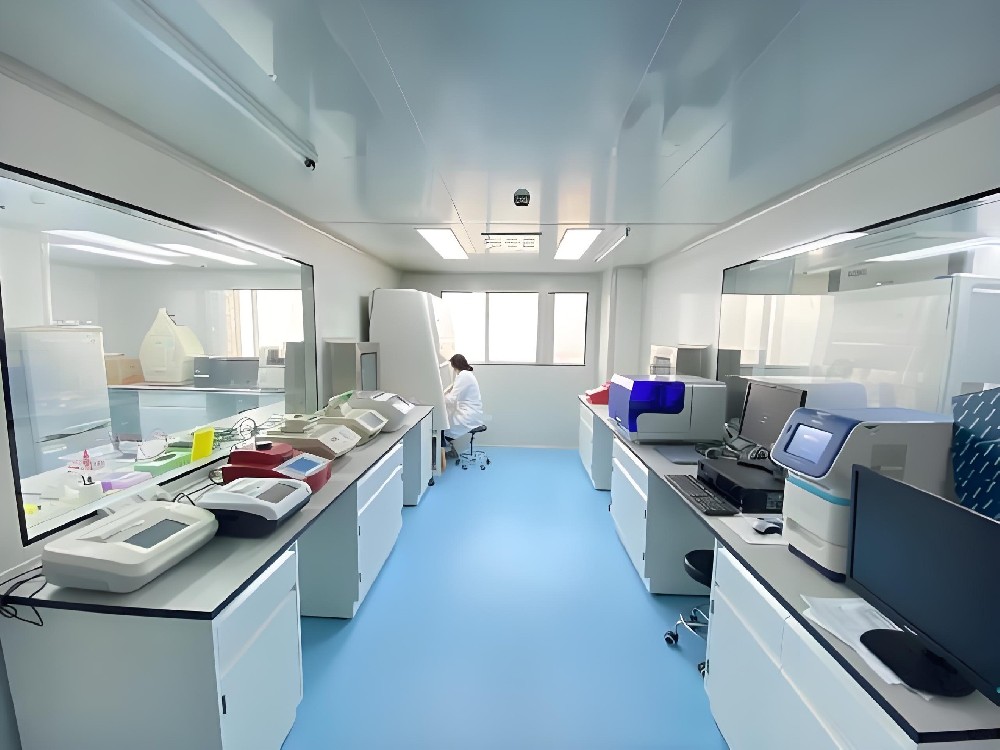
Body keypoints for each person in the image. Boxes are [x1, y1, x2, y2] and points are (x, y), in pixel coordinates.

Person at [443, 353, 484, 457]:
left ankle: (442, 456)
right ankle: (451, 451)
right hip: (472, 412)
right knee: (447, 426)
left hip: (468, 415)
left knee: (444, 430)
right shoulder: (468, 374)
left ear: (454, 365)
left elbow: (452, 399)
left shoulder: (463, 376)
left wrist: (441, 397)